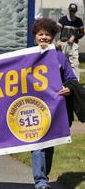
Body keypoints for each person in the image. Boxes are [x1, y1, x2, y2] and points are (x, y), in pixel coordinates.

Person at [31, 17, 77, 189]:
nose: (44, 38)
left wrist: (69, 88)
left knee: (49, 146)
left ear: (53, 37)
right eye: (40, 34)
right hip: (34, 108)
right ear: (35, 36)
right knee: (37, 144)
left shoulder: (60, 57)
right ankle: (40, 181)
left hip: (54, 109)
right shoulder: (26, 57)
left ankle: (44, 176)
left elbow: (71, 79)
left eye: (47, 35)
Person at [57, 3, 84, 81]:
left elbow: (82, 33)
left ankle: (76, 82)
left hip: (73, 44)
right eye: (71, 11)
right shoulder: (62, 19)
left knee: (74, 63)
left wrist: (74, 36)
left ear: (76, 11)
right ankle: (60, 81)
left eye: (74, 11)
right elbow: (57, 31)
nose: (72, 13)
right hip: (63, 44)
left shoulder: (79, 21)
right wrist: (57, 40)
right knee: (61, 63)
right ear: (68, 10)